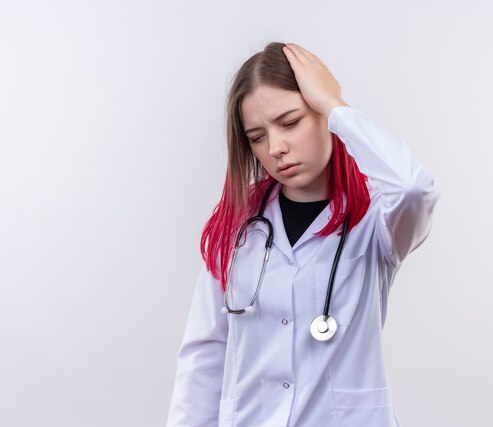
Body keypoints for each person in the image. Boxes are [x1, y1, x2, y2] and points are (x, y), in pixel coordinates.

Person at [166, 41, 441, 427]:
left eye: (290, 122)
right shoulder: (237, 227)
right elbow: (204, 355)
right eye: (257, 137)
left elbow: (415, 188)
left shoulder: (377, 220)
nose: (276, 148)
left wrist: (334, 104)